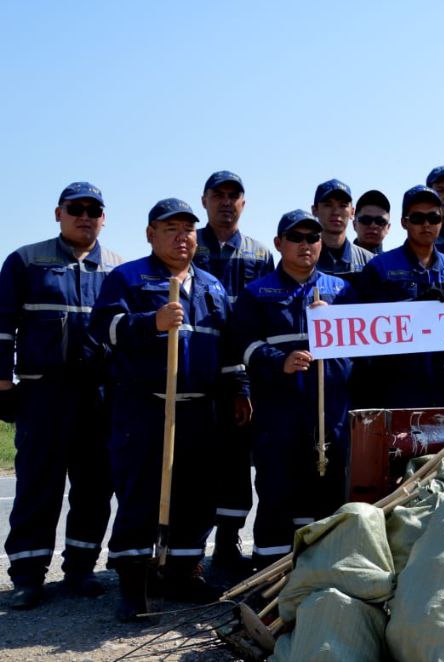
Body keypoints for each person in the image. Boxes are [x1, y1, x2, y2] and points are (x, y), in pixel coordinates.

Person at [90, 198, 250, 621]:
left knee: (196, 496)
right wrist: (151, 322)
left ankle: (182, 572)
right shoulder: (127, 277)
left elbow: (229, 347)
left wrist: (238, 388)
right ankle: (135, 584)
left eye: (189, 230)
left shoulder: (212, 286)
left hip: (200, 409)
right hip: (146, 408)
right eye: (171, 229)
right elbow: (102, 330)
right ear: (150, 234)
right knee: (141, 494)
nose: (183, 237)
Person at [0, 182, 122, 610]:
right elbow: (2, 326)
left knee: (94, 484)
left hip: (98, 394)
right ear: (58, 213)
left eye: (94, 209)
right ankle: (28, 576)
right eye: (76, 208)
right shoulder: (25, 261)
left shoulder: (117, 269)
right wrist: (2, 382)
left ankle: (81, 569)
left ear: (104, 217)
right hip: (43, 391)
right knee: (38, 483)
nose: (85, 215)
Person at [234, 210, 354, 569]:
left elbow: (362, 348)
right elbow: (242, 343)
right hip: (279, 414)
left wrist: (332, 321)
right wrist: (277, 361)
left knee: (329, 493)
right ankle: (270, 576)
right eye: (296, 238)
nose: (306, 245)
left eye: (313, 238)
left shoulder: (342, 290)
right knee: (278, 492)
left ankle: (322, 575)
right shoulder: (257, 293)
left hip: (331, 411)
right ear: (279, 244)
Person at [192, 170, 275, 572]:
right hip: (195, 374)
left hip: (242, 378)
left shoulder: (261, 255)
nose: (226, 202)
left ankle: (227, 543)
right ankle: (185, 552)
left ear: (244, 203)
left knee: (236, 465)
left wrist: (246, 382)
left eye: (234, 196)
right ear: (205, 201)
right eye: (218, 195)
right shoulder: (190, 246)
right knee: (193, 465)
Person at [357, 186, 444, 407]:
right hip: (397, 387)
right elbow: (366, 326)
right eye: (417, 217)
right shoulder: (379, 267)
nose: (426, 224)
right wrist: (416, 306)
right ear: (404, 222)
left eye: (433, 217)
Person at [312, 179, 374, 277]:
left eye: (343, 205)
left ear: (352, 212)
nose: (336, 212)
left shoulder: (370, 262)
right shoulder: (302, 261)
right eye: (328, 205)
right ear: (314, 210)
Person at [353, 189, 392, 255]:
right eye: (366, 220)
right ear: (354, 225)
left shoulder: (395, 264)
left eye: (380, 221)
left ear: (388, 228)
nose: (373, 225)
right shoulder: (335, 262)